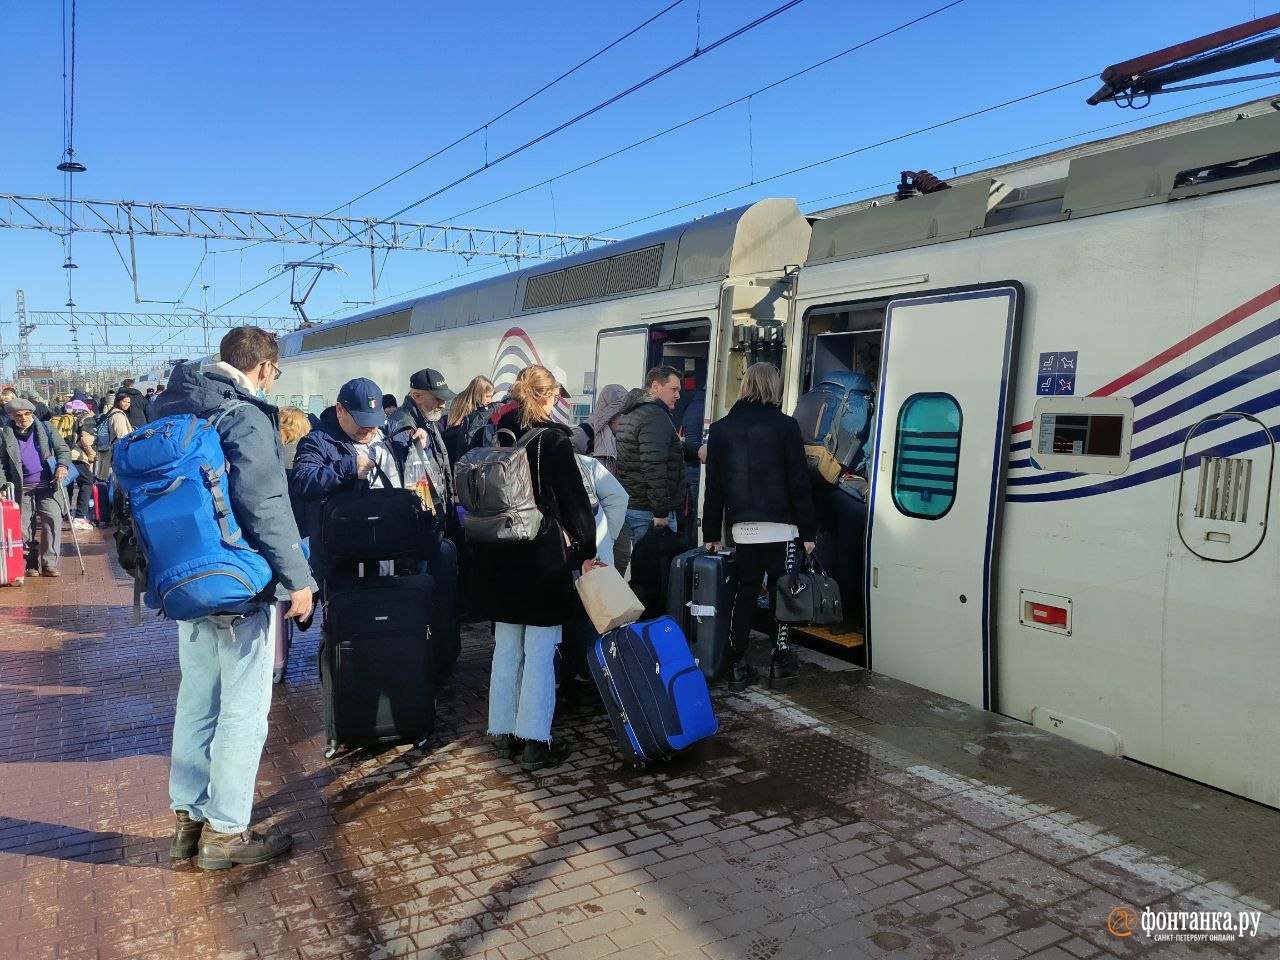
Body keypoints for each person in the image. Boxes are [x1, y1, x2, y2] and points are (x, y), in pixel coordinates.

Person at [152, 328, 315, 871]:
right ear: (264, 367)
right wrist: (300, 579)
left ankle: (188, 820)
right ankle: (226, 832)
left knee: (197, 698)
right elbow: (265, 503)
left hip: (184, 581)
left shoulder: (174, 404)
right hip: (238, 584)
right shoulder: (243, 415)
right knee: (245, 709)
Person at [468, 365, 597, 772]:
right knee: (540, 651)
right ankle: (535, 741)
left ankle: (503, 732)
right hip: (542, 557)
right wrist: (584, 552)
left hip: (499, 554)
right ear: (547, 397)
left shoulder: (493, 433)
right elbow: (576, 506)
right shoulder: (554, 443)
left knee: (506, 648)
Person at [702, 362, 817, 692]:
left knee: (745, 594)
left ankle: (738, 665)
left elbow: (715, 487)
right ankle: (780, 662)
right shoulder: (786, 426)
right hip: (783, 531)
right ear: (774, 387)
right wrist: (808, 533)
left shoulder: (722, 429)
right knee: (783, 594)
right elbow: (799, 484)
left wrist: (711, 534)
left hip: (744, 530)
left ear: (745, 385)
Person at [290, 378, 427, 586]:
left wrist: (421, 443)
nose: (368, 428)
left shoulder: (392, 434)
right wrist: (347, 468)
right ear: (339, 410)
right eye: (361, 420)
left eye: (374, 420)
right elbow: (302, 482)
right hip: (347, 557)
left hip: (396, 549)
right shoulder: (317, 441)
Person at [615, 366, 686, 548]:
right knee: (655, 572)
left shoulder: (633, 412)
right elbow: (653, 466)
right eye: (673, 389)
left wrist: (694, 450)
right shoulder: (654, 416)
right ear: (655, 386)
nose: (678, 395)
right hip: (650, 513)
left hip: (634, 506)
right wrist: (661, 512)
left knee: (640, 568)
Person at [0, 398, 73, 577]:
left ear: (32, 413)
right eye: (18, 415)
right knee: (24, 527)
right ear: (11, 416)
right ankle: (30, 564)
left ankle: (49, 563)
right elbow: (1, 462)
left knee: (52, 522)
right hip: (21, 487)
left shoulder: (47, 428)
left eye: (26, 414)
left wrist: (62, 466)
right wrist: (2, 484)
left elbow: (63, 450)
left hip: (49, 485)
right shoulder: (5, 434)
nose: (23, 418)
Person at [388, 368, 457, 541]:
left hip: (431, 513)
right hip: (420, 521)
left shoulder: (428, 419)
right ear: (417, 396)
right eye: (437, 398)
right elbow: (407, 472)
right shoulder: (402, 425)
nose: (442, 404)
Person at [442, 375, 496, 462]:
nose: (490, 400)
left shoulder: (458, 399)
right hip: (462, 445)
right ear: (479, 394)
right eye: (487, 396)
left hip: (450, 442)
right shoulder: (476, 410)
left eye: (491, 397)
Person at [64, 401, 96, 529]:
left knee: (68, 484)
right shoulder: (86, 419)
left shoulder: (61, 418)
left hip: (62, 455)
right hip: (78, 455)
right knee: (87, 482)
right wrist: (92, 457)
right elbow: (86, 440)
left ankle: (66, 513)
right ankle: (80, 517)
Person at [93, 394, 134, 483]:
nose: (126, 404)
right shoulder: (118, 415)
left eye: (128, 402)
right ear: (118, 401)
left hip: (110, 449)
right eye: (124, 401)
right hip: (115, 451)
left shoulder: (113, 411)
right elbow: (122, 435)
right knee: (112, 481)